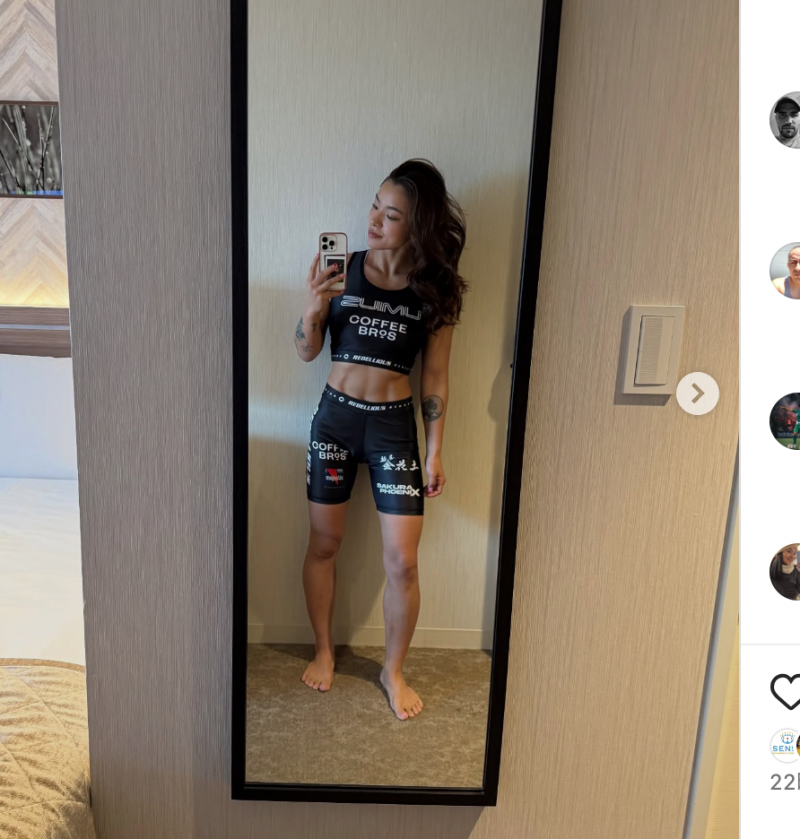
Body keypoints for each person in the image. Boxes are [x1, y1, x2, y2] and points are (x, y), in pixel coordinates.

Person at [292, 158, 468, 721]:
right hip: (336, 422)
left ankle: (393, 671)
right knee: (324, 543)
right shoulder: (341, 270)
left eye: (391, 216)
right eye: (375, 205)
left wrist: (435, 449)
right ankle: (324, 650)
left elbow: (434, 377)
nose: (373, 220)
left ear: (417, 227)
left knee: (403, 562)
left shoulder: (433, 291)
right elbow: (305, 351)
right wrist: (314, 306)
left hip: (393, 428)